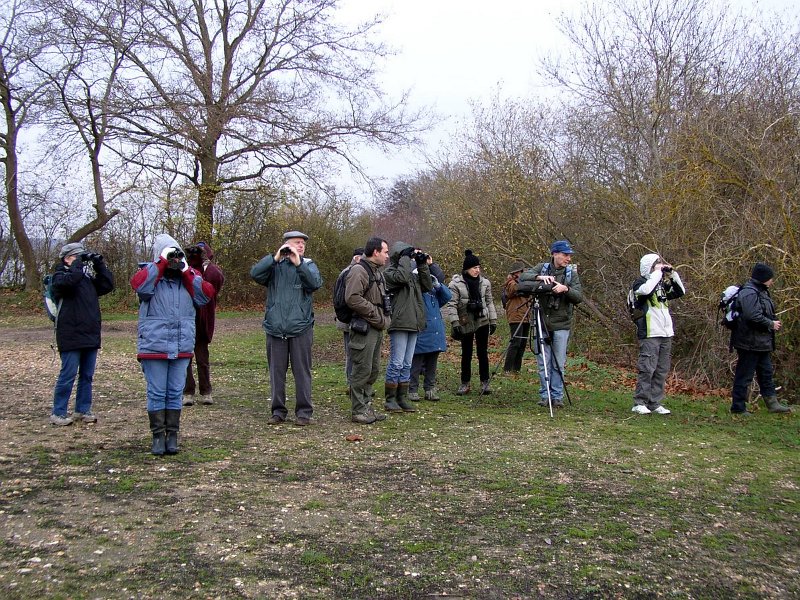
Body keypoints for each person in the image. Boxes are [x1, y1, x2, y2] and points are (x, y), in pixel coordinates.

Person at [131, 234, 215, 455]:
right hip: (154, 346)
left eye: (177, 255)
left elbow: (205, 295)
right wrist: (161, 263)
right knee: (157, 392)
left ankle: (173, 435)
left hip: (181, 345)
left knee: (175, 392)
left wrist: (186, 270)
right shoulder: (150, 275)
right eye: (170, 254)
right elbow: (140, 287)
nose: (174, 259)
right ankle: (158, 436)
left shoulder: (189, 279)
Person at [250, 231, 322, 426]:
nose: (301, 246)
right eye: (296, 243)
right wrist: (275, 257)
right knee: (276, 373)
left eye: (303, 243)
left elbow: (315, 283)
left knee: (302, 372)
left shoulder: (308, 265)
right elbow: (255, 274)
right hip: (275, 328)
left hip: (301, 328)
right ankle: (278, 411)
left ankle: (304, 412)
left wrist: (299, 264)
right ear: (286, 245)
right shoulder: (275, 267)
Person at [48, 242, 115, 425]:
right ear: (66, 258)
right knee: (68, 374)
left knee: (87, 375)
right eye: (76, 257)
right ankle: (58, 412)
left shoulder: (85, 279)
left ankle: (83, 410)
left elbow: (107, 285)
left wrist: (99, 265)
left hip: (89, 333)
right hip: (70, 334)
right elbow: (70, 281)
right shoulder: (59, 277)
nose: (81, 261)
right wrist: (77, 265)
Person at [519, 240, 583, 407]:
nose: (568, 258)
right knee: (543, 363)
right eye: (565, 255)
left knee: (558, 364)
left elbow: (579, 297)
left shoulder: (571, 274)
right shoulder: (542, 267)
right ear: (554, 254)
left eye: (569, 255)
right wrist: (539, 278)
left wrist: (565, 289)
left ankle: (557, 396)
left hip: (562, 324)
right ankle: (545, 395)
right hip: (541, 322)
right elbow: (522, 278)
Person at [730, 263, 790, 415]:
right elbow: (752, 315)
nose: (772, 281)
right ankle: (738, 407)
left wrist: (771, 321)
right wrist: (770, 323)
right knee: (745, 375)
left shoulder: (762, 291)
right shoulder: (749, 292)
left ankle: (773, 404)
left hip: (761, 342)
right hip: (749, 342)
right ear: (763, 278)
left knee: (766, 374)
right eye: (770, 278)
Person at [629, 253, 685, 415]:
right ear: (649, 267)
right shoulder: (640, 283)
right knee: (647, 368)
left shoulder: (660, 284)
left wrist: (672, 274)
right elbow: (646, 290)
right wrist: (657, 273)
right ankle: (640, 402)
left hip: (665, 332)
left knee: (661, 370)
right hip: (649, 332)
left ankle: (654, 402)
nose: (660, 266)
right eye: (656, 264)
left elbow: (680, 291)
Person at [345, 237, 392, 424]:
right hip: (364, 328)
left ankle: (366, 406)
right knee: (362, 369)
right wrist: (375, 314)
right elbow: (352, 298)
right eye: (385, 252)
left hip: (376, 327)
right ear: (375, 252)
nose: (387, 256)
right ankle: (358, 410)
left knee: (373, 369)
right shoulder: (359, 271)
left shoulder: (376, 271)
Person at [383, 242, 433, 412]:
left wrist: (422, 264)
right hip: (399, 322)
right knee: (396, 362)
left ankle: (401, 397)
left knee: (407, 363)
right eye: (407, 255)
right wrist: (405, 257)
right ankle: (390, 399)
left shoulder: (412, 275)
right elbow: (402, 278)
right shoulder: (389, 273)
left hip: (414, 322)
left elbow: (427, 286)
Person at [443, 249, 498, 396]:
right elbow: (452, 304)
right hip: (465, 321)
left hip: (482, 320)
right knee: (466, 353)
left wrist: (493, 320)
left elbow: (489, 302)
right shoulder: (455, 284)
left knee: (483, 352)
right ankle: (465, 382)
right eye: (474, 268)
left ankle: (485, 382)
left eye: (478, 267)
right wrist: (455, 322)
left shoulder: (485, 283)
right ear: (467, 269)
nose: (477, 270)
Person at [183, 241, 225, 406]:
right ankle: (187, 391)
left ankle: (206, 391)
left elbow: (216, 281)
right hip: (187, 319)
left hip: (203, 321)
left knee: (202, 359)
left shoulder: (211, 270)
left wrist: (207, 263)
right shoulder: (186, 270)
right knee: (185, 358)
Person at [408, 263, 452, 401]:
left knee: (432, 364)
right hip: (421, 332)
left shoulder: (433, 291)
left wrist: (438, 285)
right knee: (416, 364)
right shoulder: (414, 292)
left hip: (435, 332)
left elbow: (447, 296)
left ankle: (430, 389)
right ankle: (412, 389)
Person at [335, 247, 364, 392]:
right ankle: (351, 384)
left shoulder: (353, 272)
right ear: (357, 258)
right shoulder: (348, 273)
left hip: (354, 320)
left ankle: (357, 384)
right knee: (351, 353)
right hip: (349, 320)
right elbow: (342, 299)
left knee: (358, 353)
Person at [502, 261, 530, 374]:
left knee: (522, 343)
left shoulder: (523, 282)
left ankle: (516, 368)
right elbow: (514, 290)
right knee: (515, 342)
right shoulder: (511, 283)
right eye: (522, 271)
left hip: (526, 315)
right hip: (516, 315)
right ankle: (507, 368)